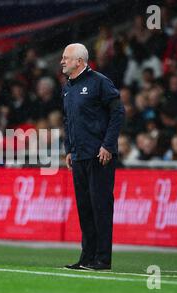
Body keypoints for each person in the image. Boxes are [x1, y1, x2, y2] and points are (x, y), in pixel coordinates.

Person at [61, 43, 124, 270]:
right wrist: (69, 149)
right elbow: (68, 121)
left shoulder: (99, 82)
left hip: (99, 156)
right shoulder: (68, 87)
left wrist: (108, 144)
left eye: (66, 58)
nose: (62, 61)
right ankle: (87, 257)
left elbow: (118, 112)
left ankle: (102, 259)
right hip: (79, 156)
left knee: (101, 208)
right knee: (85, 209)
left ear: (79, 61)